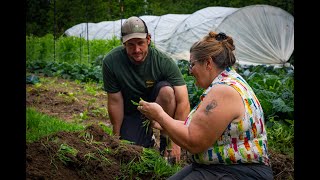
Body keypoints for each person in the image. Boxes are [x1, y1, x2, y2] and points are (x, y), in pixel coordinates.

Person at [137, 31, 273, 179]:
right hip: (219, 167)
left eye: (192, 64)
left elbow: (194, 142)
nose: (190, 71)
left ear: (208, 63)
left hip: (239, 172)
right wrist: (166, 124)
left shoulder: (224, 91)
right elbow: (200, 128)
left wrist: (161, 115)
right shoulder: (228, 82)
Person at [102, 16, 190, 163]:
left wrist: (177, 141)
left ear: (148, 39)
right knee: (131, 152)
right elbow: (115, 102)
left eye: (140, 43)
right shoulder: (111, 62)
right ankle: (146, 135)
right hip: (134, 112)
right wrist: (115, 138)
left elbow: (183, 100)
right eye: (131, 45)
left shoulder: (163, 61)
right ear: (123, 43)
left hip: (160, 109)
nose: (137, 50)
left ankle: (166, 138)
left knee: (167, 91)